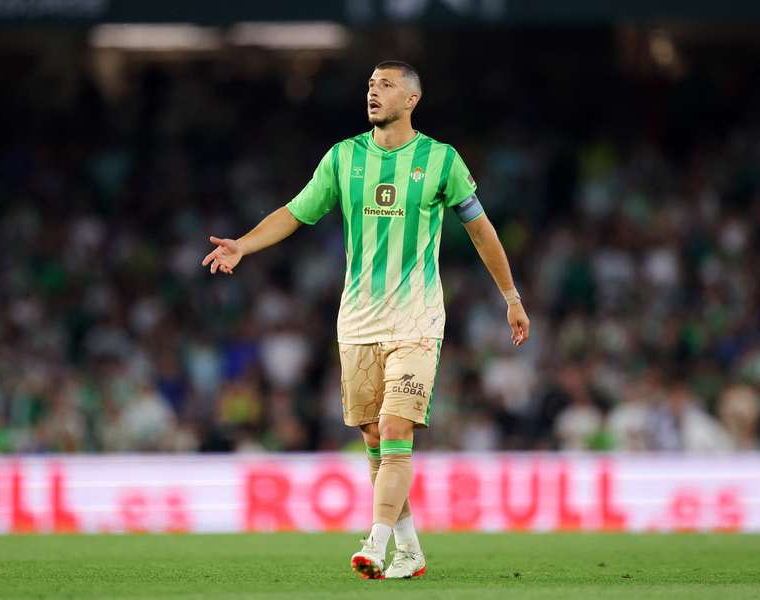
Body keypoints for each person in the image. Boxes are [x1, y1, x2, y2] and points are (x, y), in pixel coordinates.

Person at [202, 61, 530, 579]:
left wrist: (510, 295)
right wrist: (243, 244)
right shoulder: (343, 158)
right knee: (376, 441)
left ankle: (375, 543)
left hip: (417, 320)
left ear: (412, 100)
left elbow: (482, 231)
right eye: (370, 85)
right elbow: (295, 211)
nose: (373, 93)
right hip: (356, 322)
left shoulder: (441, 161)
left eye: (386, 86)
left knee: (397, 428)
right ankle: (411, 549)